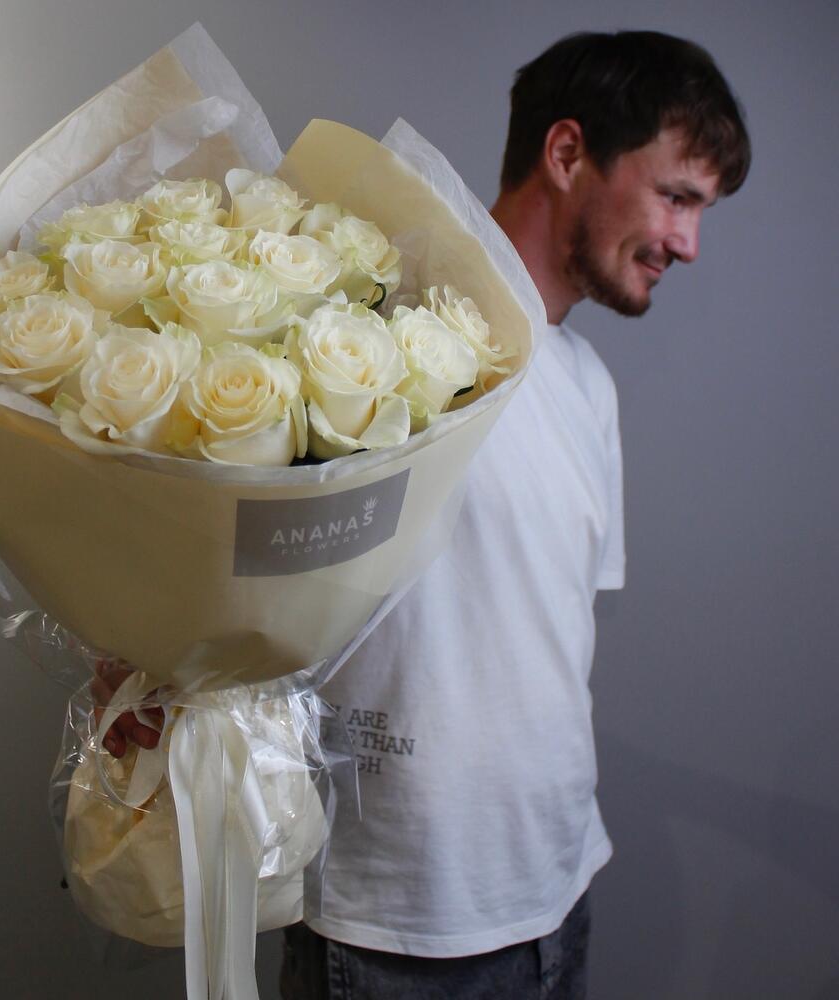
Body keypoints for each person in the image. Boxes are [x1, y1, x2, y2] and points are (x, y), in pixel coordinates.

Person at [93, 29, 750, 1000]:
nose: (688, 243)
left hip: (558, 889)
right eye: (677, 196)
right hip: (396, 930)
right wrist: (154, 653)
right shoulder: (374, 343)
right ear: (567, 152)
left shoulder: (587, 386)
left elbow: (533, 640)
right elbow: (225, 563)